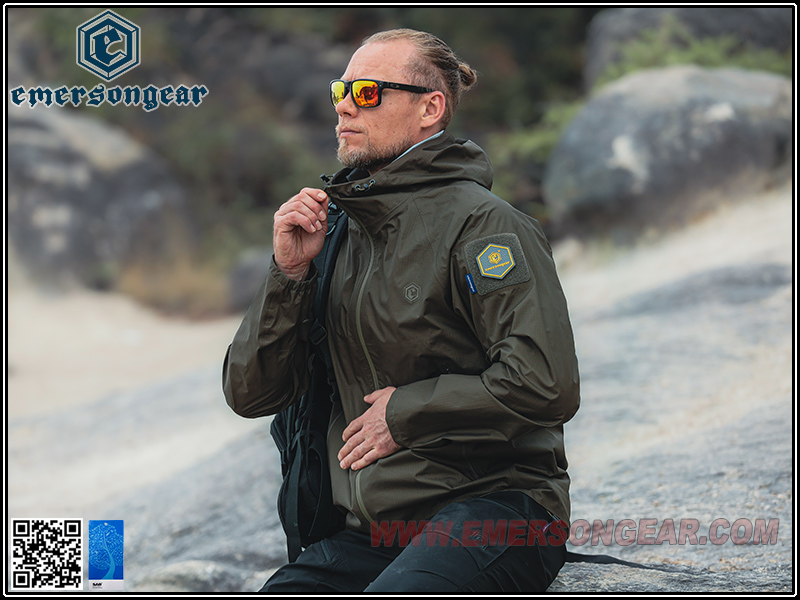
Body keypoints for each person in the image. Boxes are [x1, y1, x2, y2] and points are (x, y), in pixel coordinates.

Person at [222, 28, 580, 593]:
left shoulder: (485, 226)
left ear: (429, 109)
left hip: (495, 506)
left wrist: (407, 412)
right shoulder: (334, 234)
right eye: (341, 90)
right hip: (375, 531)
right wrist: (288, 275)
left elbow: (546, 383)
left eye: (368, 92)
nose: (344, 106)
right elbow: (250, 395)